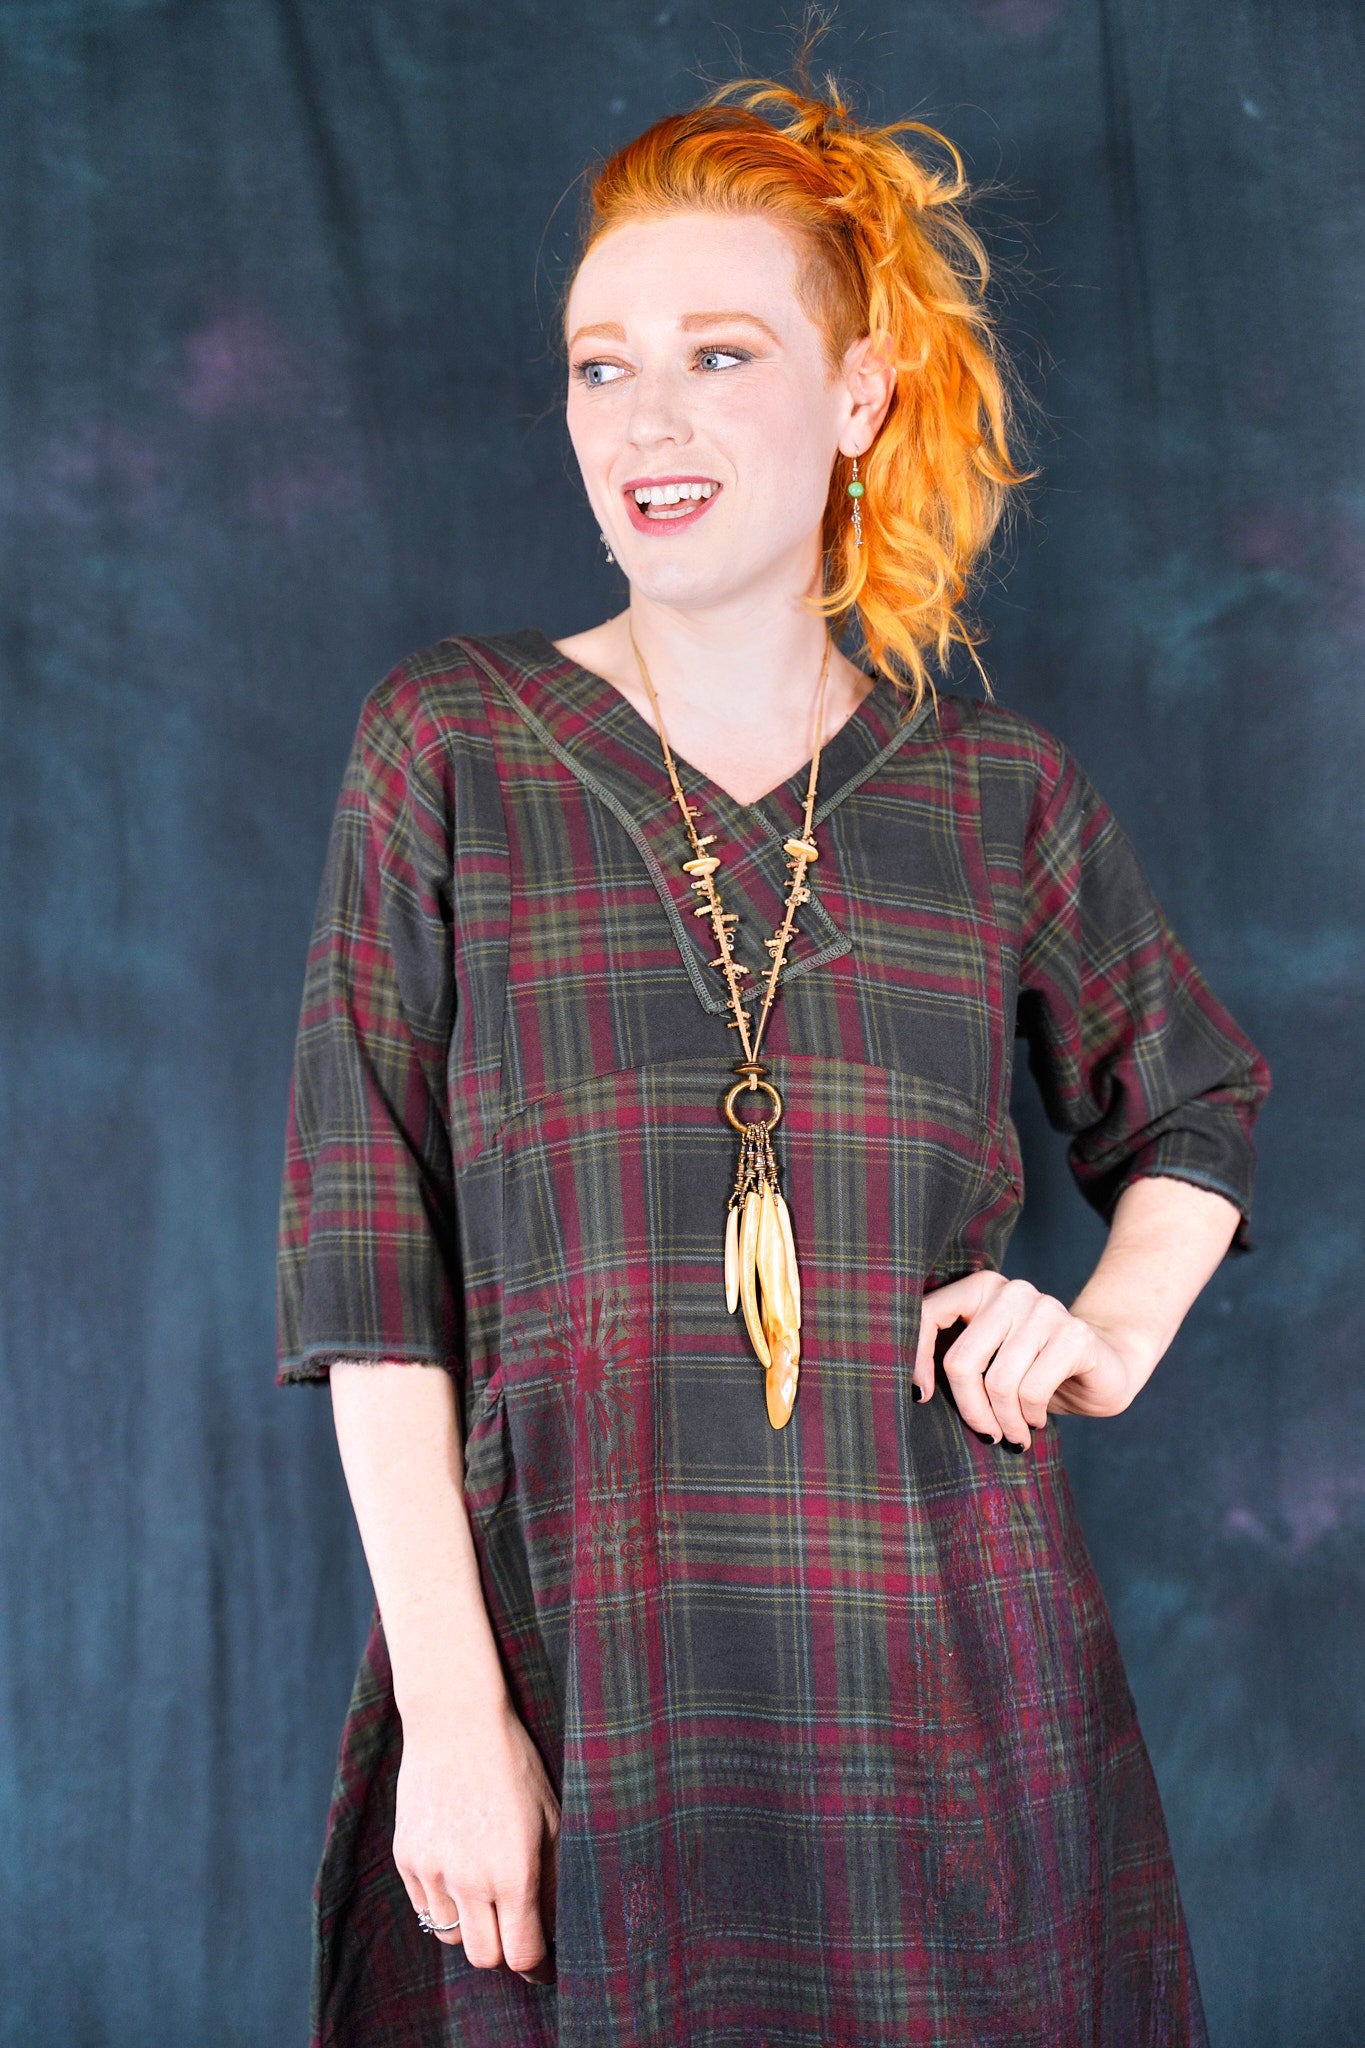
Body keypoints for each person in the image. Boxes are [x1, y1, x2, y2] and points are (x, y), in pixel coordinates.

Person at [274, 58, 1271, 2048]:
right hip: (570, 1687)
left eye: (717, 355)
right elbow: (371, 1274)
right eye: (600, 367)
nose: (644, 419)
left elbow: (1196, 1105)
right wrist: (454, 1723)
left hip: (946, 1714)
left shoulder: (993, 795)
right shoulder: (448, 748)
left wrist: (1101, 1329)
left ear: (856, 398)